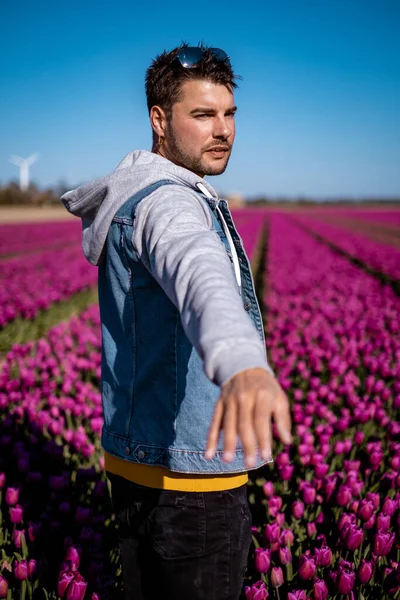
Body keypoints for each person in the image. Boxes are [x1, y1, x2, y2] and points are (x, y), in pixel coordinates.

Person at [61, 43, 292, 600]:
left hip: (137, 467)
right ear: (159, 121)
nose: (224, 130)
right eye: (203, 114)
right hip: (193, 487)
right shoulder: (169, 205)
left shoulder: (141, 193)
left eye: (230, 113)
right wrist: (242, 364)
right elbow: (200, 275)